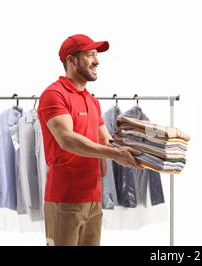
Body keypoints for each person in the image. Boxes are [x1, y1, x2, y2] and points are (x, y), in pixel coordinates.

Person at [38, 34, 141, 246]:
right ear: (71, 60)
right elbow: (67, 139)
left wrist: (145, 151)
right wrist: (115, 154)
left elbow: (107, 141)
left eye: (96, 55)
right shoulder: (54, 95)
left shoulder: (92, 101)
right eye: (90, 55)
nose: (97, 61)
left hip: (94, 198)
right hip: (65, 199)